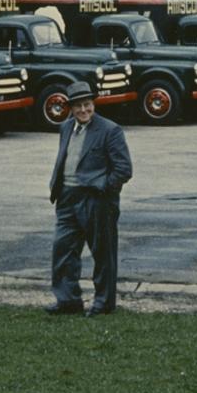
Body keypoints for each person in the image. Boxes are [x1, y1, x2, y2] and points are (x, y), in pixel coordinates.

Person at [46, 81, 133, 317]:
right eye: (78, 106)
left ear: (93, 104)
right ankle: (68, 301)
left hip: (97, 200)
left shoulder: (110, 130)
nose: (84, 110)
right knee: (62, 250)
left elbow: (123, 169)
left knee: (103, 253)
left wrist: (104, 188)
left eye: (87, 105)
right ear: (70, 108)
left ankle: (104, 303)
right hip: (66, 198)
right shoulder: (65, 128)